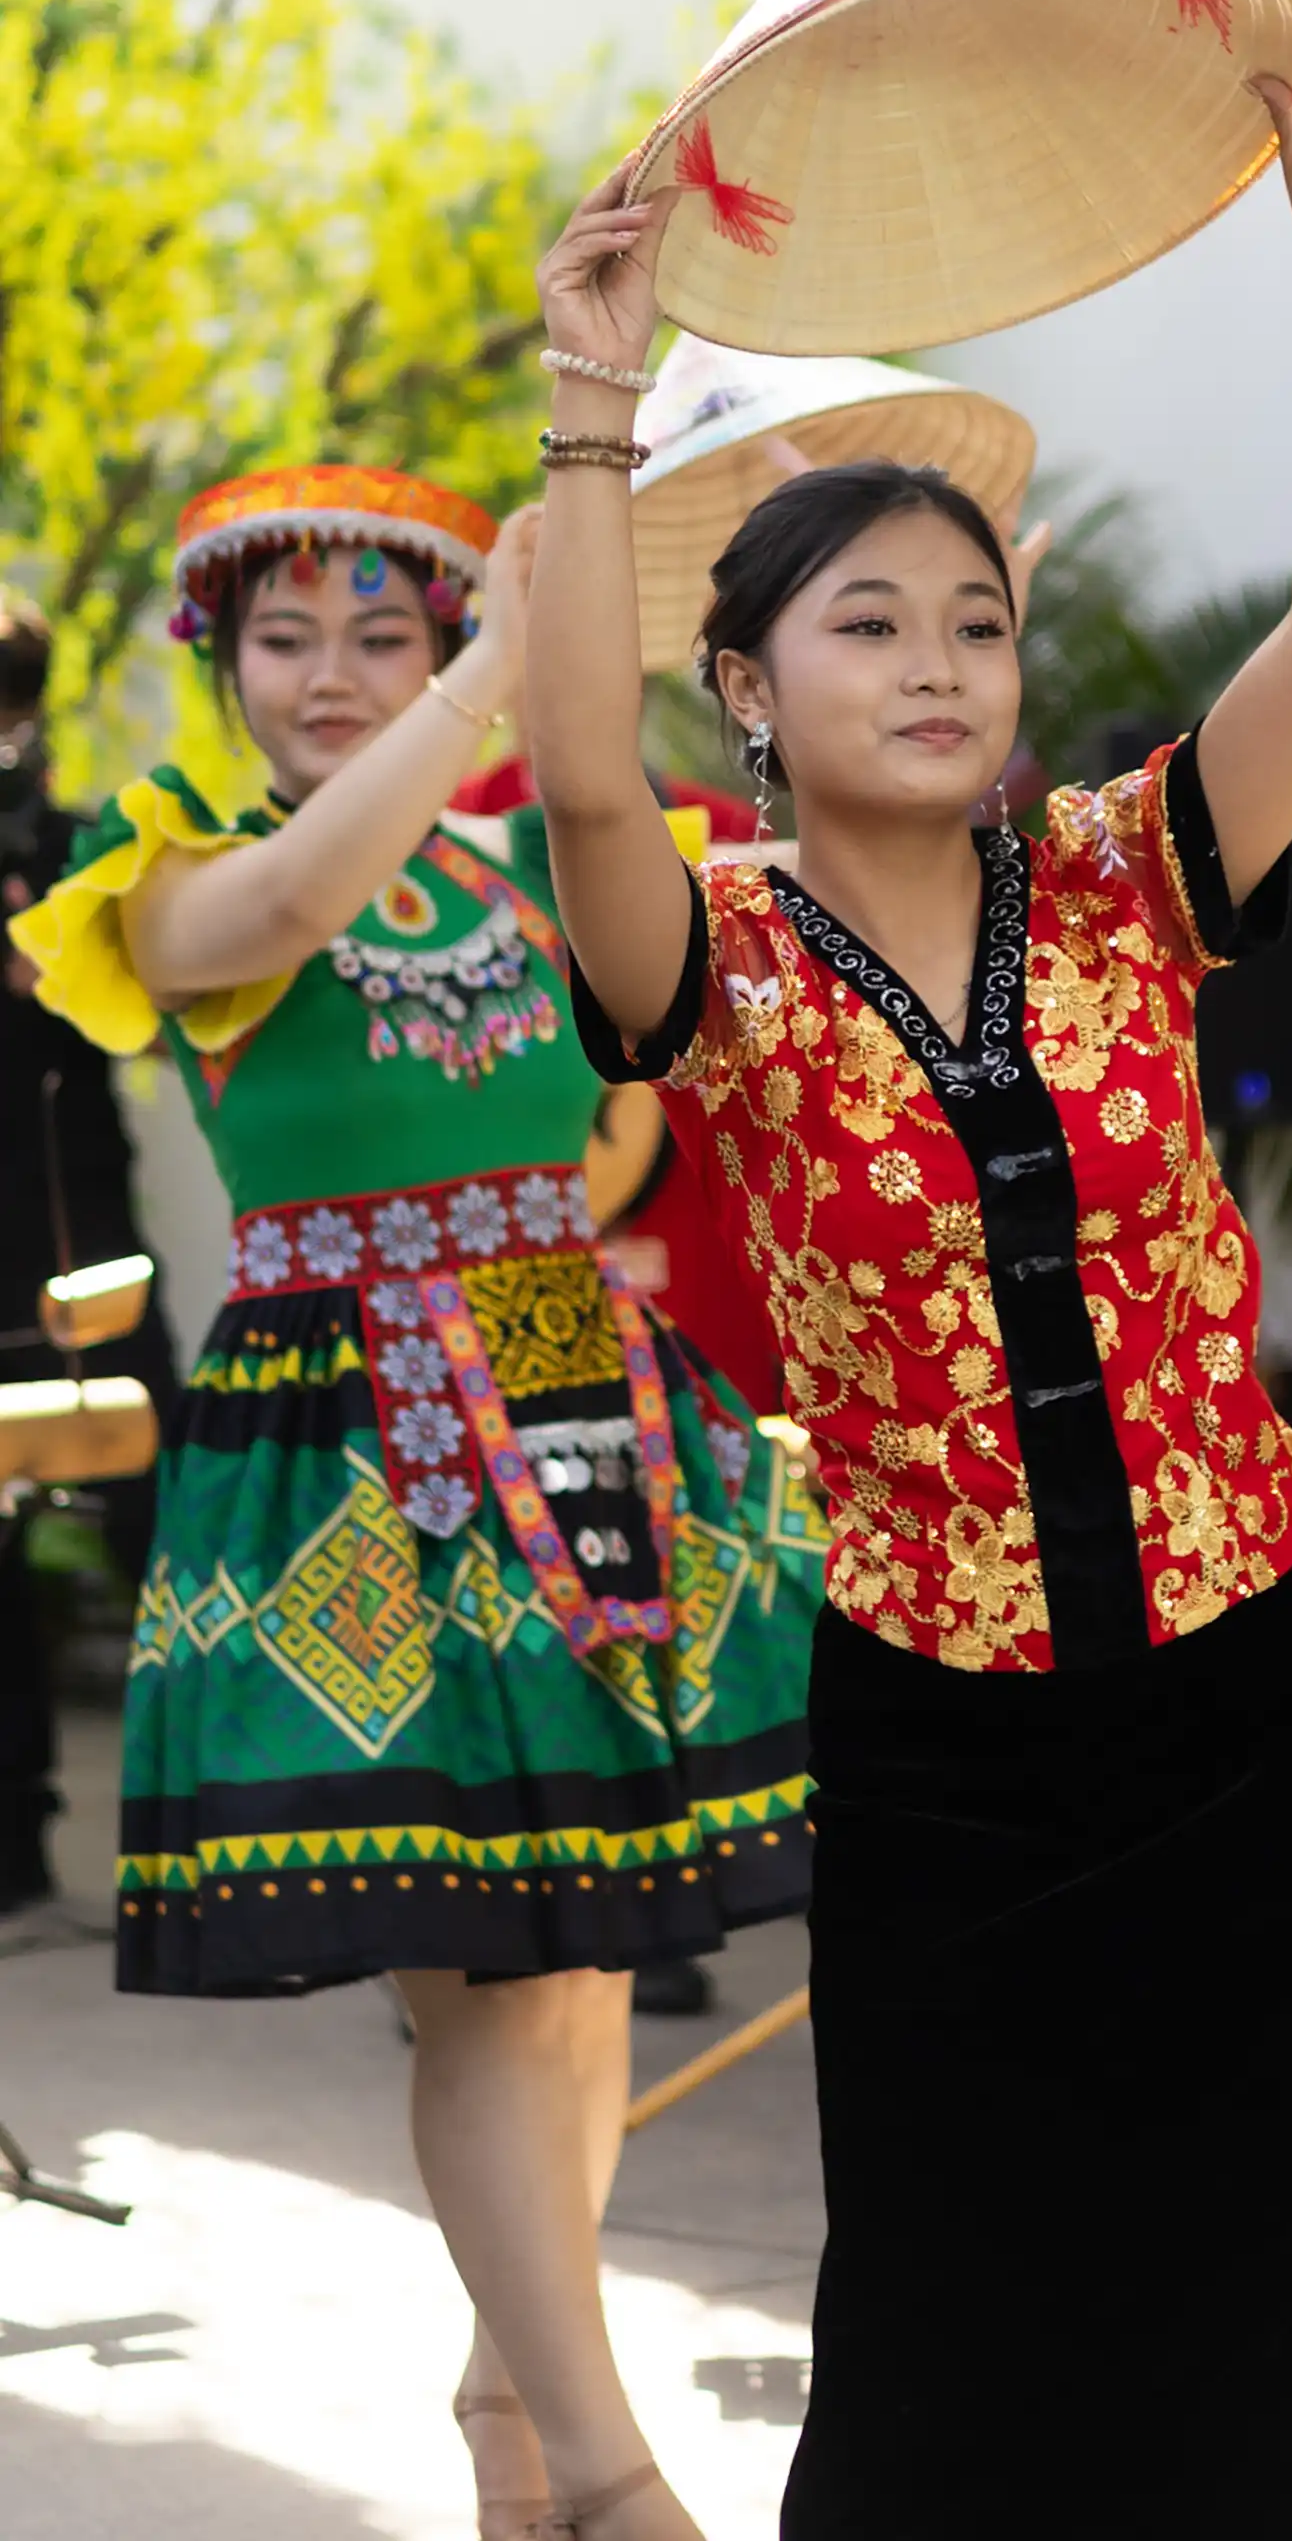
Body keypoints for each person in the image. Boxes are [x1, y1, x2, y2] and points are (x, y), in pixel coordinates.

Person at [524, 44, 1292, 2541]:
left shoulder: (1133, 874)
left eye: (978, 623)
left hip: (1261, 1691)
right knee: (957, 2303)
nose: (941, 660)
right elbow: (576, 779)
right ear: (752, 688)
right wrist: (594, 399)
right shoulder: (721, 959)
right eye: (869, 621)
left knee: (1282, 2272)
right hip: (948, 1730)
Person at [8, 470, 824, 2541]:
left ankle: (511, 2408)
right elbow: (280, 920)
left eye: (384, 635)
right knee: (472, 1957)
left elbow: (639, 1096)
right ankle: (617, 2472)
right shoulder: (159, 867)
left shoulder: (530, 873)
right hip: (351, 1445)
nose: (337, 674)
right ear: (219, 661)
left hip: (568, 1389)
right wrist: (484, 667)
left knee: (580, 1962)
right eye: (290, 640)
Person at [1, 585, 179, 1920]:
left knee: (155, 1501)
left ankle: (214, 1815)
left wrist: (58, 970)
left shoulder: (77, 852)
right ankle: (14, 1835)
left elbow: (154, 1029)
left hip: (82, 1232)